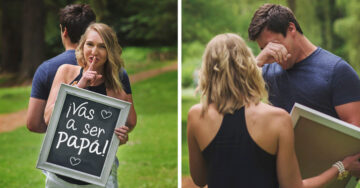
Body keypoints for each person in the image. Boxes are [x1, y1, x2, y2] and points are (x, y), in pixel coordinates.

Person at [187, 33, 360, 187]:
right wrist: (341, 167)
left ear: (208, 69)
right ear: (248, 64)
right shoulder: (277, 118)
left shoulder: (196, 115)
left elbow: (200, 179)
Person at [43, 23, 137, 187]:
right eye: (90, 44)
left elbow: (124, 128)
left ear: (110, 52)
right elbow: (49, 118)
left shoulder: (116, 91)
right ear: (82, 46)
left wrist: (122, 138)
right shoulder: (65, 72)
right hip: (59, 175)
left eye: (102, 46)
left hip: (97, 178)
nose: (94, 52)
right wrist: (80, 86)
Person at [248, 4, 360, 127]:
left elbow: (355, 132)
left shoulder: (337, 71)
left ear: (291, 29)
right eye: (264, 49)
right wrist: (257, 61)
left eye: (274, 44)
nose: (271, 53)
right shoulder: (265, 70)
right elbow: (229, 94)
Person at [27, 4, 97, 133]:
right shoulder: (110, 67)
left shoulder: (46, 69)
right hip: (97, 147)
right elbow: (130, 121)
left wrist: (60, 129)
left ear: (64, 31)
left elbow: (33, 123)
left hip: (63, 145)